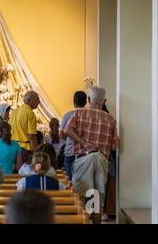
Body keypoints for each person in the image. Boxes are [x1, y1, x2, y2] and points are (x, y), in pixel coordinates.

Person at [64, 86, 118, 223]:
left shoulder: (78, 113)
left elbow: (67, 130)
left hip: (83, 158)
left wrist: (83, 142)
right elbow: (114, 145)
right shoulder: (111, 119)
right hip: (101, 159)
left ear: (88, 99)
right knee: (96, 198)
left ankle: (82, 221)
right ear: (104, 101)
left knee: (81, 196)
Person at [59, 91, 87, 181]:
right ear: (86, 102)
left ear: (74, 102)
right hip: (85, 152)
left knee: (70, 180)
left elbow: (62, 134)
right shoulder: (89, 115)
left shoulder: (68, 115)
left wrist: (68, 139)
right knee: (84, 179)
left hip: (70, 151)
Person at [9, 91, 40, 167]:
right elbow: (31, 136)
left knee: (15, 174)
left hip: (13, 146)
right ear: (30, 100)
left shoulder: (14, 112)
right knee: (24, 173)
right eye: (37, 99)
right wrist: (36, 151)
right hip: (24, 148)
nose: (39, 102)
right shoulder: (30, 113)